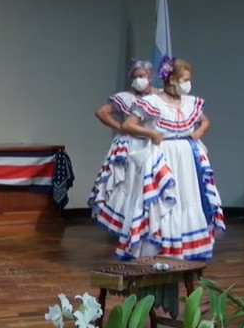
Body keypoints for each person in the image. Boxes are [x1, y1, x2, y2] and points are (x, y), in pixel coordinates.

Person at [120, 57, 225, 261]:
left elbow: (205, 121)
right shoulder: (153, 102)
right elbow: (128, 125)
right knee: (166, 200)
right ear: (172, 80)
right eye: (184, 79)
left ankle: (186, 247)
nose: (188, 83)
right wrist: (151, 134)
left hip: (187, 156)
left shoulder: (189, 103)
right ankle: (161, 245)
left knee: (187, 198)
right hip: (164, 155)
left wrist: (198, 133)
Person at [88, 59, 156, 253]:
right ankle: (126, 228)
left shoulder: (159, 96)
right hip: (131, 146)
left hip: (152, 145)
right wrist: (121, 128)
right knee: (128, 186)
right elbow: (101, 112)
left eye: (141, 76)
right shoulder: (126, 97)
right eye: (134, 77)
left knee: (149, 186)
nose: (138, 80)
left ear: (150, 76)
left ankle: (148, 227)